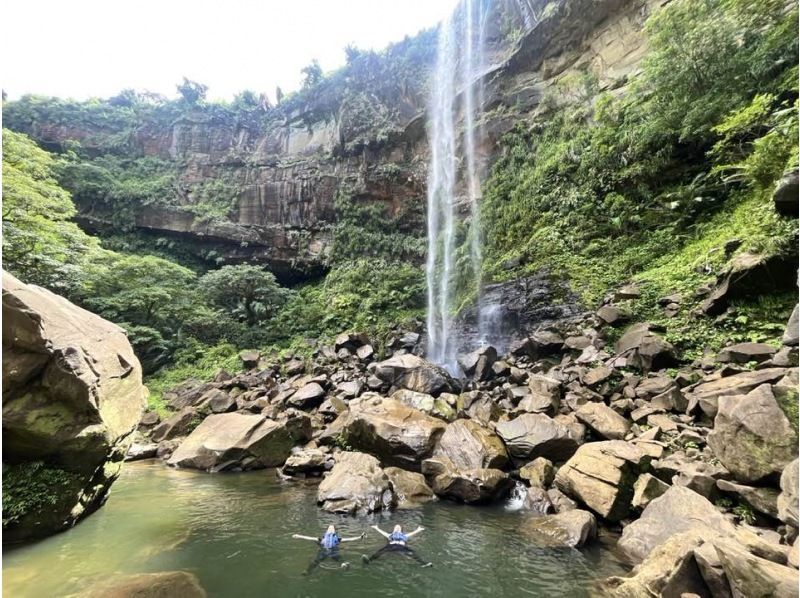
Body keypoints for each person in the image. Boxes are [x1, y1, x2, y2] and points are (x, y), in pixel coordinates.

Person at [292, 525, 365, 574]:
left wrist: (298, 536)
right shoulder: (336, 539)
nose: (330, 529)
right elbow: (351, 539)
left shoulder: (322, 539)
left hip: (325, 551)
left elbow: (309, 538)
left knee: (316, 561)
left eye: (330, 528)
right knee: (339, 560)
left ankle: (307, 571)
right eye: (330, 528)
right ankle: (343, 564)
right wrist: (360, 537)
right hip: (332, 552)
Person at [361, 524, 432, 567]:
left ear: (401, 530)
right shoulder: (389, 535)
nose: (397, 528)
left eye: (399, 527)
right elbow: (382, 532)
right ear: (393, 529)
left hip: (401, 546)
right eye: (396, 527)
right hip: (391, 546)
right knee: (380, 551)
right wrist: (376, 528)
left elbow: (413, 533)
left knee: (412, 553)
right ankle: (369, 560)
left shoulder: (404, 535)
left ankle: (423, 563)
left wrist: (418, 530)